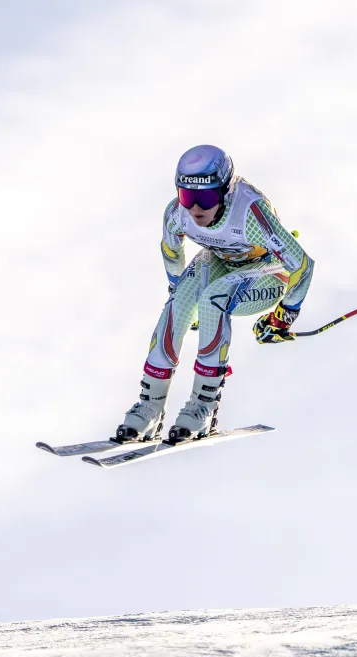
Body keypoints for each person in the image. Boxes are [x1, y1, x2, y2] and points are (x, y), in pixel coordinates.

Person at [115, 144, 314, 444]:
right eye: (187, 195)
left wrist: (283, 316)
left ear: (224, 192)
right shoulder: (176, 214)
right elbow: (171, 250)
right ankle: (150, 406)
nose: (195, 208)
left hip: (268, 271)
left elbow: (302, 265)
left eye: (205, 197)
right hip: (221, 261)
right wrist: (178, 294)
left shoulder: (249, 213)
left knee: (213, 298)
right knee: (178, 301)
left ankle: (203, 406)